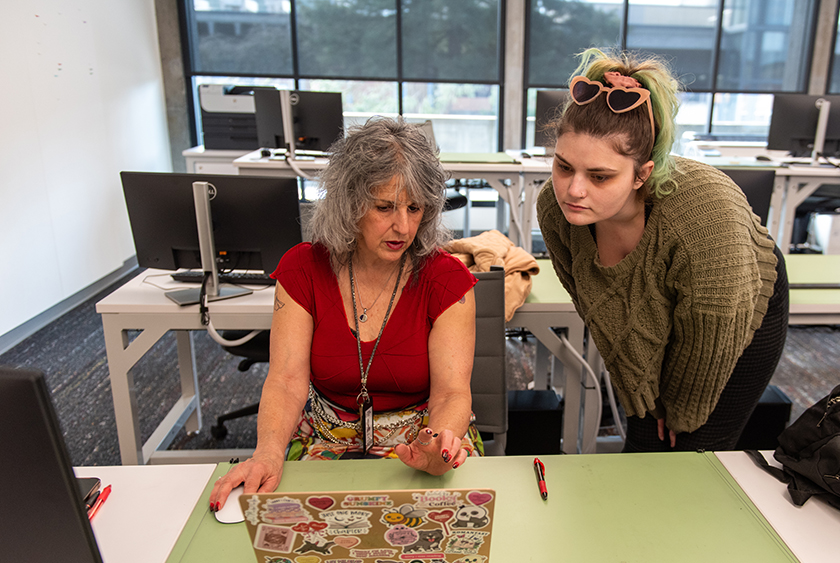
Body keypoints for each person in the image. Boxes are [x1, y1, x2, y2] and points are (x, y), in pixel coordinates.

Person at [209, 117, 481, 512]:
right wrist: (267, 452)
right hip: (325, 435)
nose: (402, 226)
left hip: (421, 440)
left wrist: (439, 443)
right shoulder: (303, 268)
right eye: (384, 207)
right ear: (349, 203)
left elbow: (452, 393)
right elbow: (285, 380)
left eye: (415, 208)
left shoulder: (446, 279)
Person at [536, 49, 789, 453]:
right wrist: (644, 400)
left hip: (737, 306)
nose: (574, 190)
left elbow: (712, 327)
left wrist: (683, 412)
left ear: (642, 174)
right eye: (564, 167)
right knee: (644, 440)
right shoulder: (555, 209)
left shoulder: (705, 218)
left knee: (692, 450)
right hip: (681, 299)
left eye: (600, 177)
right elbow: (599, 309)